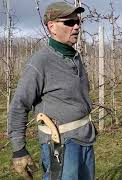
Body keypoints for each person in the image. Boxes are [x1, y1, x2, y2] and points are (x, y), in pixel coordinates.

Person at [8, 2, 97, 180]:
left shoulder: (75, 57)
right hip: (61, 144)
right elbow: (19, 105)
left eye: (78, 21)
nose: (77, 26)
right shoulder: (41, 62)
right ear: (52, 27)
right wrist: (19, 149)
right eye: (69, 22)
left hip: (85, 139)